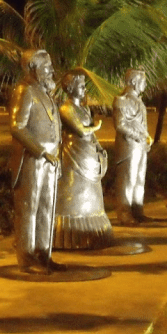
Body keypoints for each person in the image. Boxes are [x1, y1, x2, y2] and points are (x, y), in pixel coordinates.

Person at [8, 49, 64, 273]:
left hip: (51, 159)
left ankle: (44, 253)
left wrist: (55, 153)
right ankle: (26, 258)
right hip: (32, 158)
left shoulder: (45, 92)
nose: (51, 71)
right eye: (46, 67)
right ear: (32, 69)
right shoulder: (25, 91)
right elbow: (17, 126)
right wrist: (41, 151)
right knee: (29, 207)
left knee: (46, 207)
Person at [54, 70, 112, 249]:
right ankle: (69, 233)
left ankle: (94, 226)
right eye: (80, 86)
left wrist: (100, 148)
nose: (83, 89)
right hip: (74, 155)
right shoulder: (66, 108)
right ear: (70, 88)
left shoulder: (84, 108)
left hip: (88, 155)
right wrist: (97, 126)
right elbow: (80, 130)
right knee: (72, 192)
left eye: (83, 86)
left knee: (92, 194)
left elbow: (90, 136)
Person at [113, 68, 153, 224]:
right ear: (135, 82)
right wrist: (139, 136)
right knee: (127, 180)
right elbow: (120, 125)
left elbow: (142, 124)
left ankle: (137, 211)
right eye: (143, 81)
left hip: (140, 145)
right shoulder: (122, 100)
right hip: (129, 145)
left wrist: (146, 139)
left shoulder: (138, 100)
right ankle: (124, 213)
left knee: (139, 179)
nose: (145, 84)